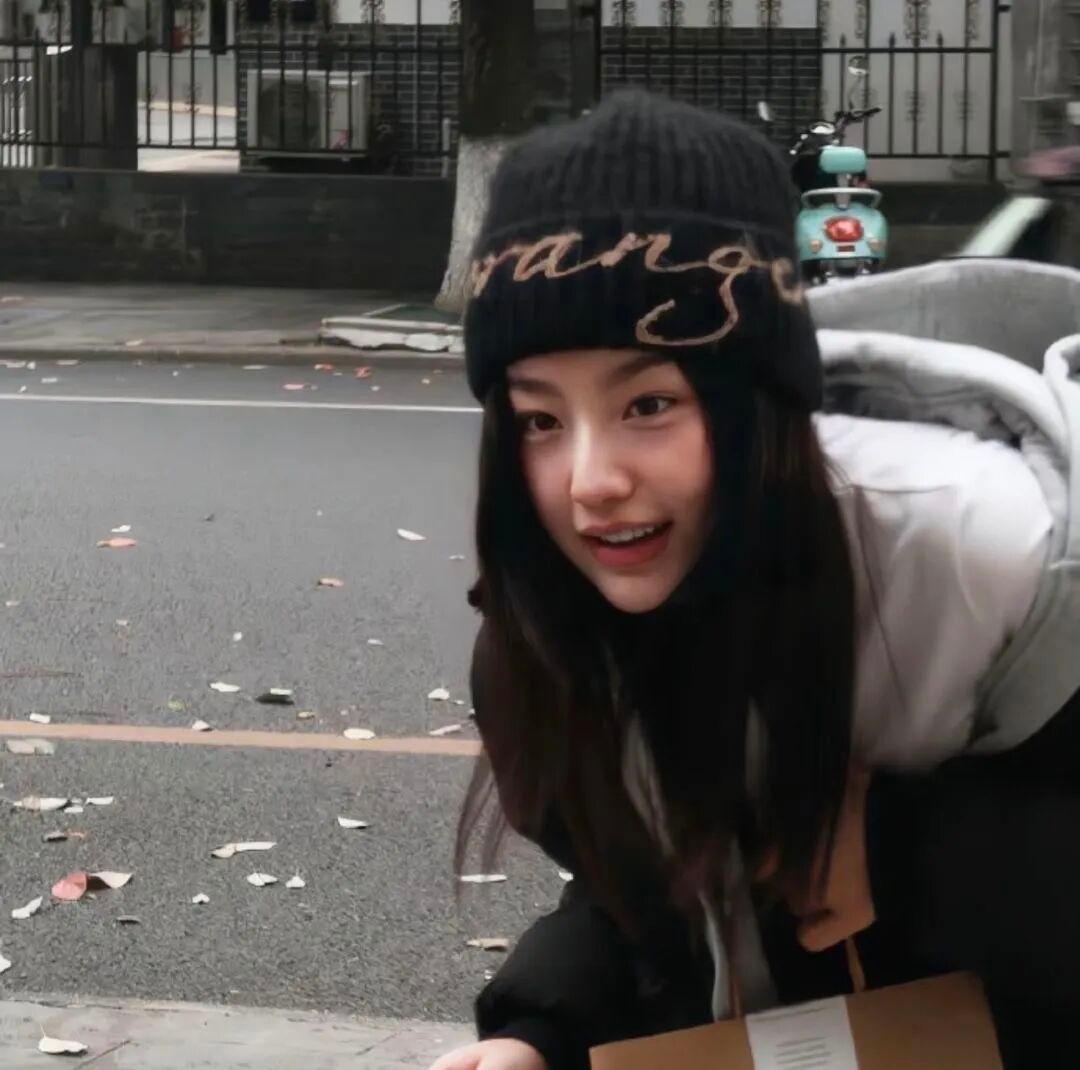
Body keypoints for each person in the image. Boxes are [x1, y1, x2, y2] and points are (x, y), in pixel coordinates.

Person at [430, 90, 1080, 1070]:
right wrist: (542, 1032)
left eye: (648, 403)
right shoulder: (547, 631)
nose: (590, 482)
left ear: (759, 409)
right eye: (540, 419)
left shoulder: (993, 564)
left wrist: (888, 843)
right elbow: (647, 895)